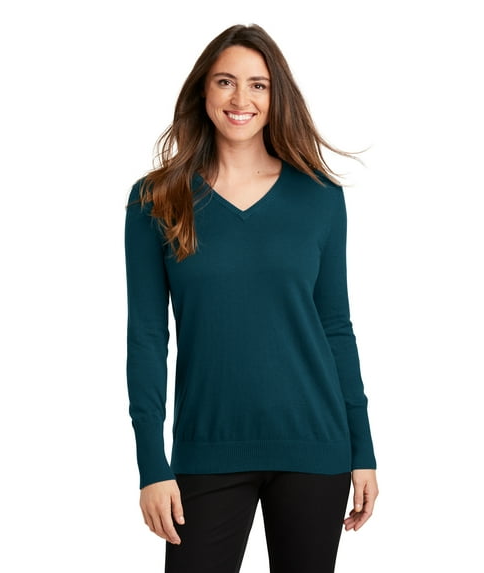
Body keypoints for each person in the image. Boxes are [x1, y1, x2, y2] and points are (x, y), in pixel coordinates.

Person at [124, 23, 379, 573]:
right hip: (207, 448)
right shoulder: (157, 198)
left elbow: (335, 326)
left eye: (258, 85)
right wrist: (151, 463)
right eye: (226, 82)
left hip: (315, 447)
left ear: (275, 95)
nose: (241, 99)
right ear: (203, 91)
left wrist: (362, 448)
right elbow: (146, 336)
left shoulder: (319, 196)